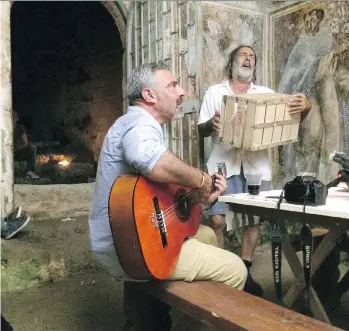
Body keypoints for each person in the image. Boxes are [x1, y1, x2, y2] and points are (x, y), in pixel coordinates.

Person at [88, 63, 248, 330]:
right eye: (173, 85)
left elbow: (159, 192)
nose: (182, 91)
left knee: (206, 234)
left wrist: (199, 197)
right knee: (236, 271)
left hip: (134, 234)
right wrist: (201, 179)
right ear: (149, 95)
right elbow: (150, 160)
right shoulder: (138, 123)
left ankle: (144, 316)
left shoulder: (141, 124)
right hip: (129, 246)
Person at [198, 45, 312, 296]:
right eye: (243, 55)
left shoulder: (267, 94)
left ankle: (245, 271)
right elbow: (201, 129)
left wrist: (306, 108)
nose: (248, 59)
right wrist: (211, 124)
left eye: (252, 57)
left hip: (256, 168)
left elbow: (290, 121)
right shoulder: (215, 92)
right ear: (232, 63)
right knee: (217, 220)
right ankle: (220, 270)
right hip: (223, 165)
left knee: (253, 220)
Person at [13, 111, 39, 179]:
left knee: (32, 146)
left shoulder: (19, 127)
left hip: (15, 152)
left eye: (15, 117)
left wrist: (17, 148)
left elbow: (25, 143)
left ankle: (29, 171)